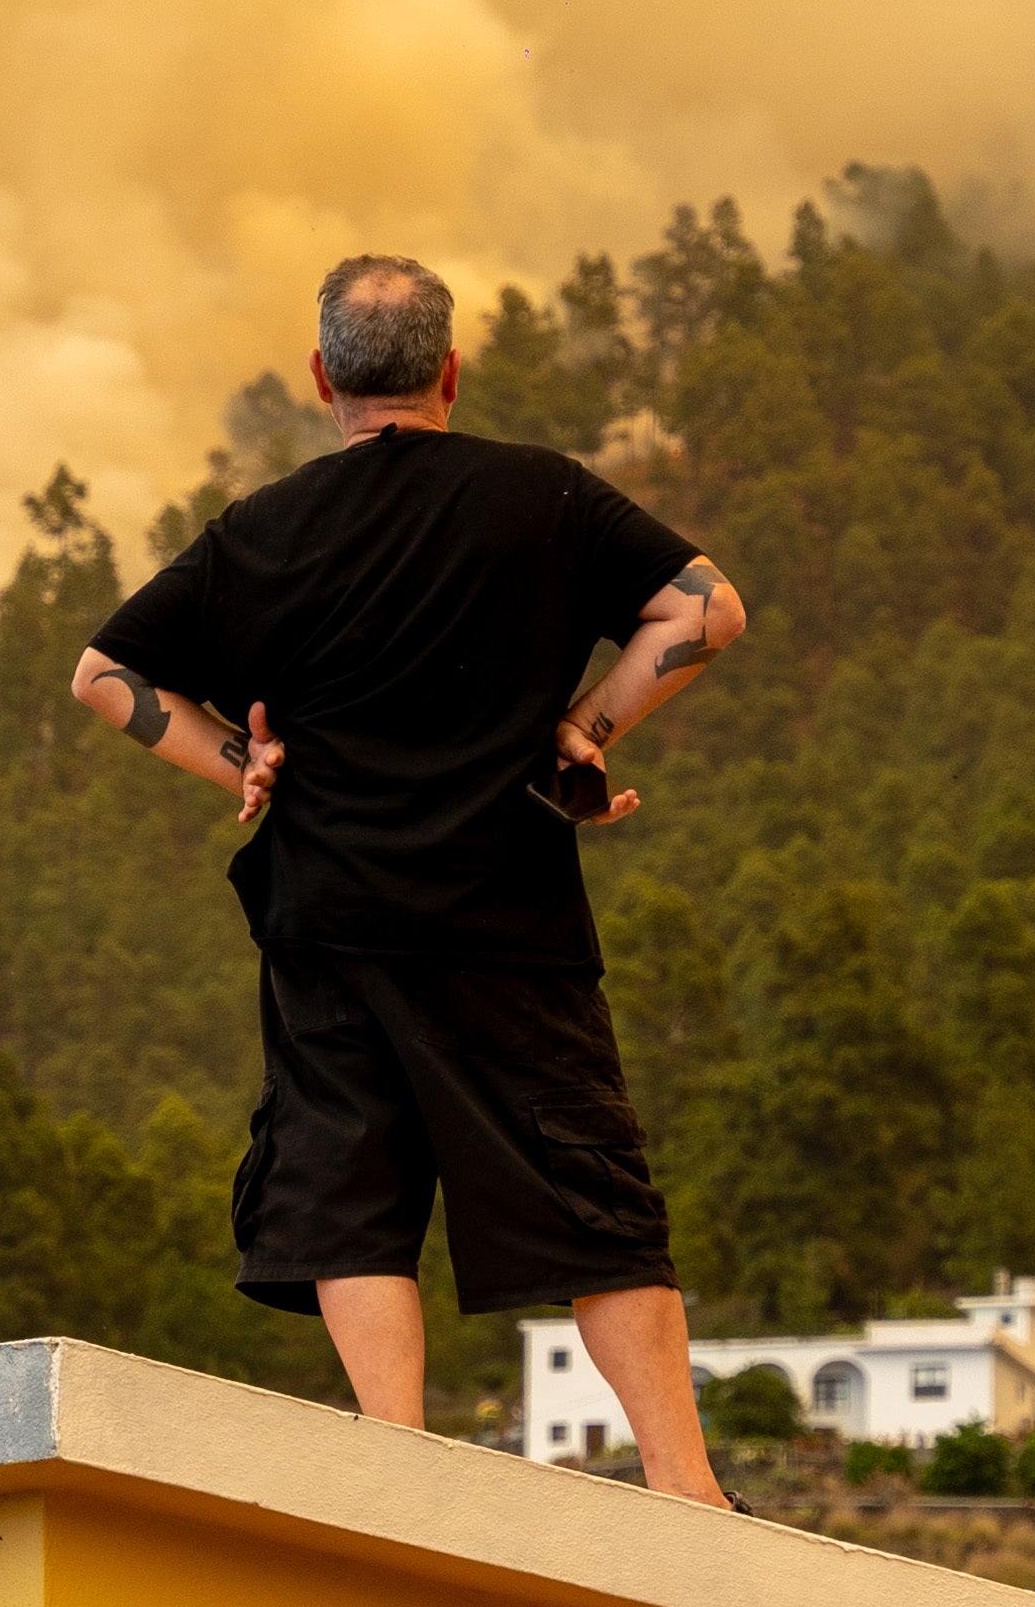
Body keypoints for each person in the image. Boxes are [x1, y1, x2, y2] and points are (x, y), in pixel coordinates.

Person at [69, 252, 749, 1505]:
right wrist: (587, 728)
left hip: (327, 919)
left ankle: (399, 1463)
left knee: (348, 1187)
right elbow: (706, 613)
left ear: (323, 376)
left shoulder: (257, 531)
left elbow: (106, 675)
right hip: (508, 911)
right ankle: (681, 1478)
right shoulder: (540, 495)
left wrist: (242, 761)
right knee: (585, 1185)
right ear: (447, 370)